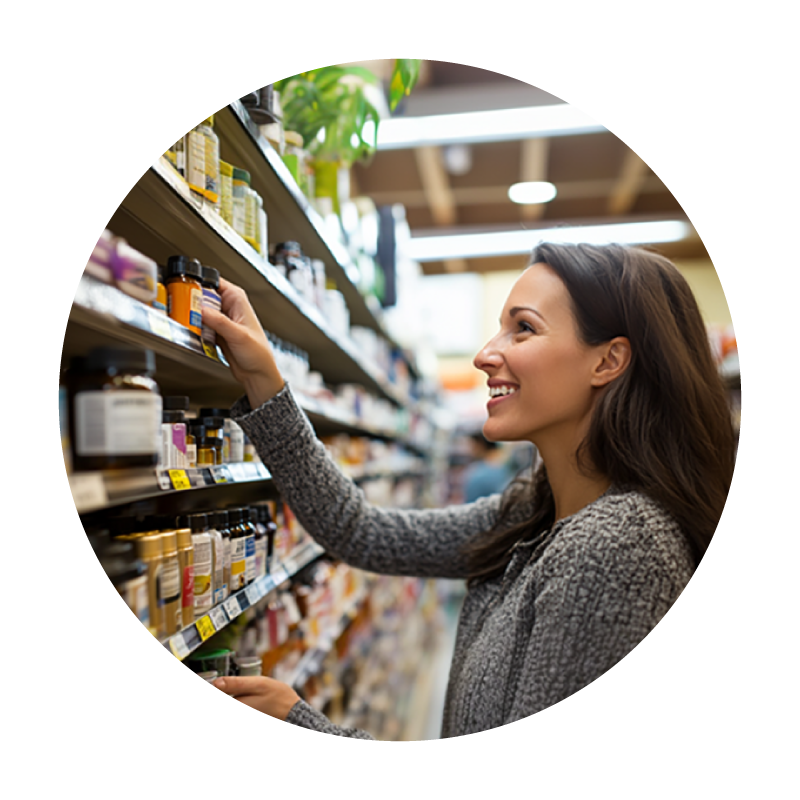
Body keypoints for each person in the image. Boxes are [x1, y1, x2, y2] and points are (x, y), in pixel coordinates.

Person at [202, 242, 736, 738]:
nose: (485, 354)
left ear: (608, 361)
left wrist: (302, 721)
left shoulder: (621, 548)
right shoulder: (534, 507)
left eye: (522, 329)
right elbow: (361, 531)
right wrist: (264, 379)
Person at [461, 432, 512, 503]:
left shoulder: (478, 474)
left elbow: (469, 504)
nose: (470, 451)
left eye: (472, 446)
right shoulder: (506, 467)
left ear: (480, 445)